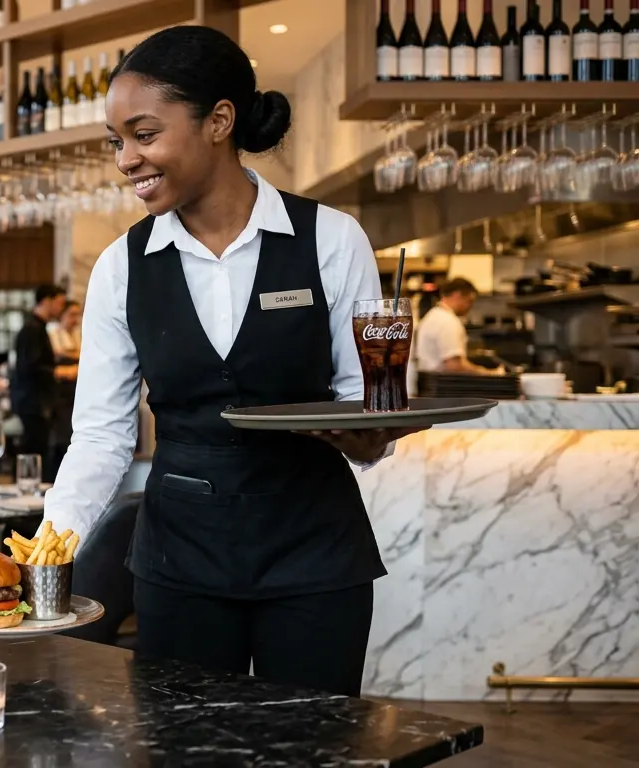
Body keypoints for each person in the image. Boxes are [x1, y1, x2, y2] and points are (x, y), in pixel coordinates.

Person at [43, 26, 418, 699]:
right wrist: (48, 550)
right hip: (178, 555)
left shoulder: (332, 239)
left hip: (314, 549)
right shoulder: (119, 267)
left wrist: (370, 433)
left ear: (219, 121)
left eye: (145, 133)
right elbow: (102, 435)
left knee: (313, 747)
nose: (126, 158)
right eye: (116, 140)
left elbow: (372, 404)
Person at [11, 285, 68, 478]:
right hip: (32, 401)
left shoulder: (38, 328)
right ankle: (30, 496)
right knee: (34, 451)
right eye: (59, 303)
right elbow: (31, 367)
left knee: (38, 450)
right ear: (46, 301)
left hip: (35, 400)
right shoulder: (32, 329)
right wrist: (60, 372)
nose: (61, 309)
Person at [414, 278, 492, 374]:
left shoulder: (431, 316)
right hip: (442, 385)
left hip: (426, 383)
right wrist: (487, 373)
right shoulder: (448, 321)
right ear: (457, 295)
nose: (470, 307)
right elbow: (454, 366)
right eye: (469, 301)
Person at [48, 301, 83, 479]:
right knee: (62, 436)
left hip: (77, 392)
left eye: (78, 315)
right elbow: (56, 357)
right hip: (60, 393)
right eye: (72, 315)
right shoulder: (53, 334)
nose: (75, 319)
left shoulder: (79, 334)